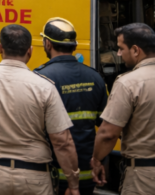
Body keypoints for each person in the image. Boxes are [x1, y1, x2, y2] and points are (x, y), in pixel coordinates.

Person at [0, 24, 81, 195]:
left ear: (0, 48)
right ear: (30, 51)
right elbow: (62, 141)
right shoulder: (44, 87)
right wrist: (73, 184)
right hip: (34, 176)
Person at [90, 22, 155, 194]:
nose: (118, 54)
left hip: (146, 180)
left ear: (135, 50)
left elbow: (108, 134)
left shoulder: (128, 83)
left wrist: (96, 161)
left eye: (121, 48)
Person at [34, 17, 107, 195]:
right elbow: (105, 128)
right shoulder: (95, 77)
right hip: (88, 173)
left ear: (48, 44)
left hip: (54, 174)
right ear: (74, 47)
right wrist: (100, 161)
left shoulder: (39, 78)